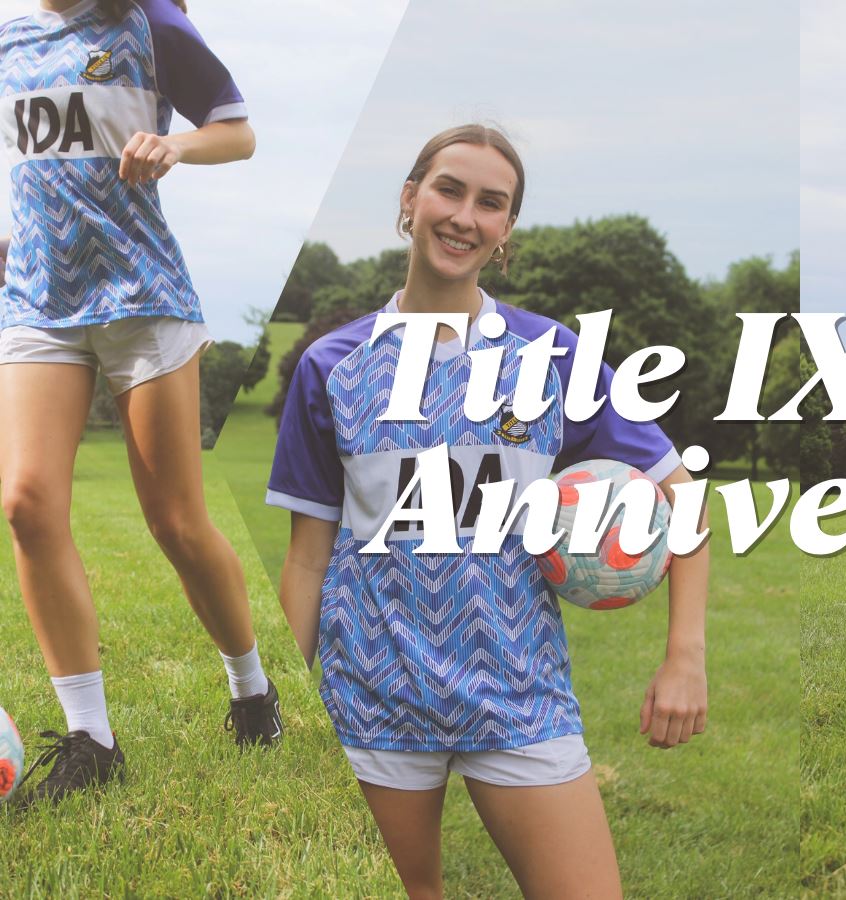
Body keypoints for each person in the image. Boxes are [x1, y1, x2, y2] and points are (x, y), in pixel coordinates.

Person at [267, 124, 709, 899]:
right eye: (448, 189)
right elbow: (309, 555)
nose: (465, 216)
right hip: (372, 696)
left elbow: (684, 497)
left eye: (491, 203)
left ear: (506, 231)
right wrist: (273, 701)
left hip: (518, 691)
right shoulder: (331, 366)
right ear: (410, 200)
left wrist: (685, 658)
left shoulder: (552, 356)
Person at [0, 0, 280, 807]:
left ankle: (251, 690)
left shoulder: (148, 20)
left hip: (142, 293)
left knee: (176, 522)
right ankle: (92, 739)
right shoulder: (12, 38)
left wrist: (175, 143)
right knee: (25, 504)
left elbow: (237, 129)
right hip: (37, 302)